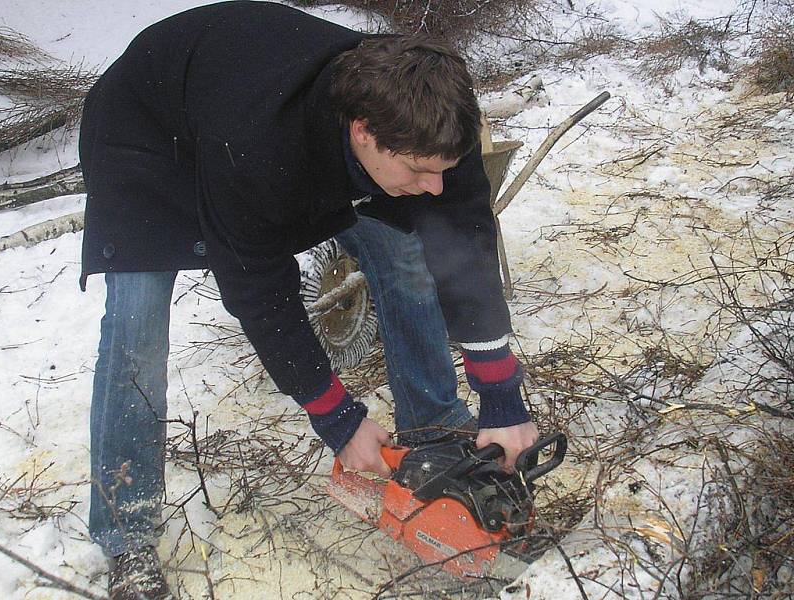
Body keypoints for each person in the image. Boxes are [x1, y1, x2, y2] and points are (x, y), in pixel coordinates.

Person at [78, 2, 539, 598]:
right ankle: (127, 534)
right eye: (422, 171)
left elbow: (463, 248)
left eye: (445, 170)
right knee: (137, 327)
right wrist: (337, 416)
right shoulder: (261, 151)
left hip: (252, 107)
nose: (436, 186)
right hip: (146, 132)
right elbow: (257, 288)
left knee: (405, 257)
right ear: (363, 133)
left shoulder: (432, 120)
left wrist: (501, 394)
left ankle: (434, 440)